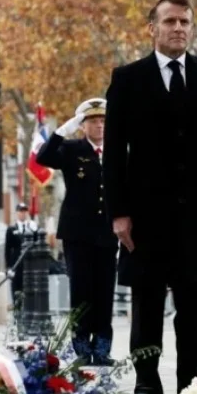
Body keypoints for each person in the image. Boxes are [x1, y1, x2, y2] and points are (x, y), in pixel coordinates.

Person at [103, 0, 197, 394]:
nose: (178, 28)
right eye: (170, 21)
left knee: (193, 306)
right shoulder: (127, 79)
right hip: (144, 215)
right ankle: (147, 383)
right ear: (152, 29)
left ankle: (191, 384)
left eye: (185, 22)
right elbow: (113, 153)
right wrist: (119, 213)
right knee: (145, 304)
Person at [37, 98, 118, 365]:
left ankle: (103, 346)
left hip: (107, 232)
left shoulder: (117, 150)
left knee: (104, 291)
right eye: (93, 121)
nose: (100, 126)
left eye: (103, 121)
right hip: (78, 233)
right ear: (83, 126)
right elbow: (44, 157)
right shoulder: (73, 149)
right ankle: (82, 347)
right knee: (81, 290)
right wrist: (61, 131)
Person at [5, 203, 36, 307]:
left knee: (29, 289)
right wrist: (8, 267)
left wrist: (34, 230)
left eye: (24, 211)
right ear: (17, 213)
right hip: (16, 264)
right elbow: (7, 249)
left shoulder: (31, 227)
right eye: (20, 211)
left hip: (29, 264)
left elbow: (36, 244)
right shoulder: (11, 229)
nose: (22, 213)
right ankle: (17, 314)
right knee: (16, 289)